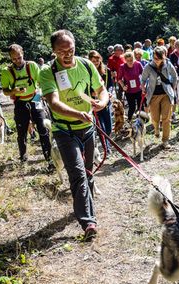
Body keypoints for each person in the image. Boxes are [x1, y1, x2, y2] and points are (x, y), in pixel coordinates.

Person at [40, 30, 109, 240]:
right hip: (64, 131)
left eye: (70, 49)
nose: (67, 54)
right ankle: (88, 222)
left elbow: (102, 90)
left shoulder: (87, 65)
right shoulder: (47, 71)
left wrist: (102, 102)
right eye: (61, 51)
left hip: (87, 128)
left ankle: (84, 205)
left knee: (87, 173)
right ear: (53, 51)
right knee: (77, 174)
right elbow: (53, 102)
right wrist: (77, 114)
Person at [1, 44, 52, 165]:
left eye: (19, 57)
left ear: (23, 54)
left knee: (43, 128)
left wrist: (44, 94)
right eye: (14, 59)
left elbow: (40, 82)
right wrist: (14, 91)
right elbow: (5, 91)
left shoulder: (32, 66)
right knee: (21, 131)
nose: (17, 61)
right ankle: (23, 157)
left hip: (35, 98)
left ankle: (49, 159)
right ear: (10, 58)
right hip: (20, 102)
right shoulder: (7, 71)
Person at [141, 46, 177, 148]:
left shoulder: (168, 64)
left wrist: (173, 89)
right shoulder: (148, 67)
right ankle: (156, 129)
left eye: (158, 58)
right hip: (153, 95)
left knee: (166, 118)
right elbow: (143, 79)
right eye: (154, 58)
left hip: (166, 94)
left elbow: (175, 76)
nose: (156, 60)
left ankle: (165, 140)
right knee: (155, 118)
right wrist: (143, 87)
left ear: (163, 57)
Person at [88, 50, 114, 154]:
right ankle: (106, 148)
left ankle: (107, 144)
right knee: (101, 127)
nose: (95, 63)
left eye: (97, 60)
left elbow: (111, 85)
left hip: (106, 102)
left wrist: (110, 92)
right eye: (93, 61)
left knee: (109, 127)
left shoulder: (106, 71)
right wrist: (91, 94)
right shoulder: (86, 72)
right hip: (95, 103)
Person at [117, 51, 144, 122]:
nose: (130, 62)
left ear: (134, 58)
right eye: (128, 60)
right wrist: (123, 86)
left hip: (139, 89)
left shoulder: (138, 64)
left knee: (141, 106)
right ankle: (129, 120)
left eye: (131, 60)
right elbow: (119, 79)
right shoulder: (122, 67)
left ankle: (141, 121)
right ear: (125, 60)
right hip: (129, 91)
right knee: (132, 107)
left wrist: (143, 85)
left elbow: (143, 75)